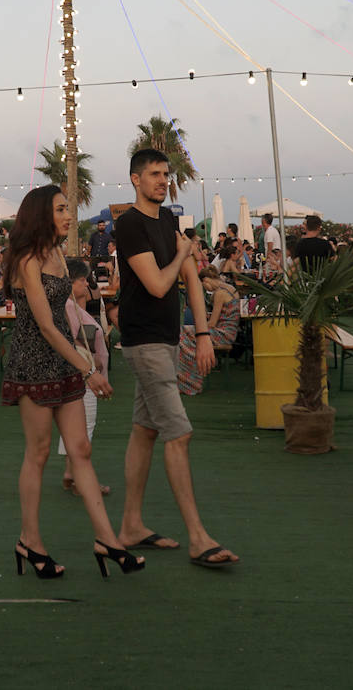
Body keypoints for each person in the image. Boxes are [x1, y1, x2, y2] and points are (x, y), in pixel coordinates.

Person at [1, 185, 141, 579]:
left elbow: (68, 315)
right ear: (40, 214)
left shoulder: (60, 253)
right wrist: (88, 370)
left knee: (80, 449)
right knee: (40, 453)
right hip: (34, 363)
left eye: (68, 208)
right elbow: (45, 325)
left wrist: (88, 357)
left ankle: (108, 540)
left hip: (65, 360)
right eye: (61, 209)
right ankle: (29, 541)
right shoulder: (27, 259)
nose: (68, 215)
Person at [114, 149, 239, 567]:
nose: (162, 181)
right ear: (135, 179)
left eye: (165, 174)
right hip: (143, 340)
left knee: (145, 430)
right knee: (178, 433)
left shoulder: (167, 220)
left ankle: (131, 524)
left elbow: (190, 280)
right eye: (154, 174)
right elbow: (157, 284)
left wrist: (203, 334)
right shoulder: (129, 225)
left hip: (168, 337)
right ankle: (199, 537)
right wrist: (184, 254)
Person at [58, 259, 111, 496]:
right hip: (84, 374)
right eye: (83, 280)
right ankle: (82, 480)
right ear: (73, 281)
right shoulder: (68, 307)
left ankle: (71, 472)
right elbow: (69, 339)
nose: (85, 285)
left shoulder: (68, 305)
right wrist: (92, 362)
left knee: (77, 426)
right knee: (84, 427)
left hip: (82, 372)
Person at [175, 267, 239, 396]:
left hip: (222, 334)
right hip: (230, 332)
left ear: (205, 281)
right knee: (186, 333)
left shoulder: (219, 294)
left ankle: (189, 381)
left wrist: (200, 320)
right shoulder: (231, 289)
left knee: (182, 335)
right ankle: (189, 380)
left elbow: (212, 323)